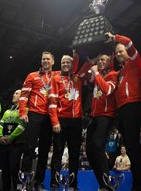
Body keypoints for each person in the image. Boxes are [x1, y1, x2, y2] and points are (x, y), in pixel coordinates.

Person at [106, 32, 141, 191]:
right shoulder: (120, 73)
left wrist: (114, 38)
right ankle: (137, 184)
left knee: (134, 147)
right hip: (122, 110)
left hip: (133, 106)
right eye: (116, 53)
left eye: (121, 51)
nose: (118, 54)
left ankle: (139, 186)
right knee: (130, 146)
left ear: (128, 52)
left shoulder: (135, 62)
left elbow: (128, 41)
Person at [19, 51, 57, 191]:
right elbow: (24, 96)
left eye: (48, 59)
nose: (45, 61)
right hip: (34, 114)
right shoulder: (32, 76)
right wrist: (23, 111)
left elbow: (72, 70)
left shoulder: (57, 75)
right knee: (29, 147)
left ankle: (38, 182)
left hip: (50, 116)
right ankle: (24, 180)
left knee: (44, 150)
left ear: (53, 62)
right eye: (43, 59)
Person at [80, 54, 118, 191]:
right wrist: (90, 62)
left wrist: (96, 72)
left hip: (106, 116)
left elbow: (107, 90)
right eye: (99, 60)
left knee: (97, 145)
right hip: (94, 116)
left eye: (103, 60)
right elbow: (81, 75)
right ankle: (103, 184)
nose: (100, 62)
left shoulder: (113, 74)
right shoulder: (97, 76)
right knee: (89, 151)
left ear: (110, 62)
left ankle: (108, 182)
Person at [48, 54, 83, 191]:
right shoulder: (56, 79)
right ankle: (54, 184)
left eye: (69, 62)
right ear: (60, 64)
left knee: (74, 154)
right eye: (63, 62)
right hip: (61, 120)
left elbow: (82, 65)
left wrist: (76, 53)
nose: (66, 64)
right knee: (58, 153)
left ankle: (73, 185)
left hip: (76, 121)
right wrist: (55, 122)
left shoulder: (77, 78)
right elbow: (52, 102)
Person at [0, 89, 26, 191]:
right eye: (14, 93)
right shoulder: (7, 111)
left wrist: (11, 137)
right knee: (5, 170)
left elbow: (22, 126)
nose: (14, 94)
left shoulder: (25, 110)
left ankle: (17, 189)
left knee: (14, 169)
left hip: (16, 145)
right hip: (4, 144)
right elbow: (1, 124)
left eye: (16, 93)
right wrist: (0, 136)